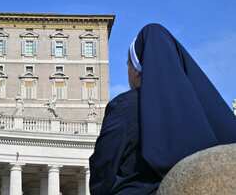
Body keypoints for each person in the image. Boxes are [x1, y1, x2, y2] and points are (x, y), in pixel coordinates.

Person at [89, 23, 236, 195]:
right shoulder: (201, 104)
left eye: (128, 64)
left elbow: (104, 166)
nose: (128, 70)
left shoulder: (125, 106)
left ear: (137, 69)